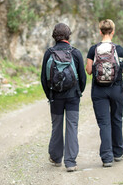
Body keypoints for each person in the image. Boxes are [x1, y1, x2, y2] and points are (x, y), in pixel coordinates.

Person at [41, 23, 86, 172]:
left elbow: (43, 78)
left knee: (57, 126)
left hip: (56, 97)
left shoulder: (49, 53)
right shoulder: (76, 53)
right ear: (68, 35)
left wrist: (50, 94)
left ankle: (55, 158)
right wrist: (78, 92)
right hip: (73, 97)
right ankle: (70, 162)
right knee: (72, 127)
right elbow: (83, 78)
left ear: (54, 36)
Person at [85, 19, 123, 167]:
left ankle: (107, 158)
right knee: (116, 119)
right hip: (117, 89)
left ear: (100, 32)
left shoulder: (93, 49)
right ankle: (118, 152)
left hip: (99, 90)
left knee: (104, 123)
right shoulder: (119, 49)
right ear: (113, 31)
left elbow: (89, 70)